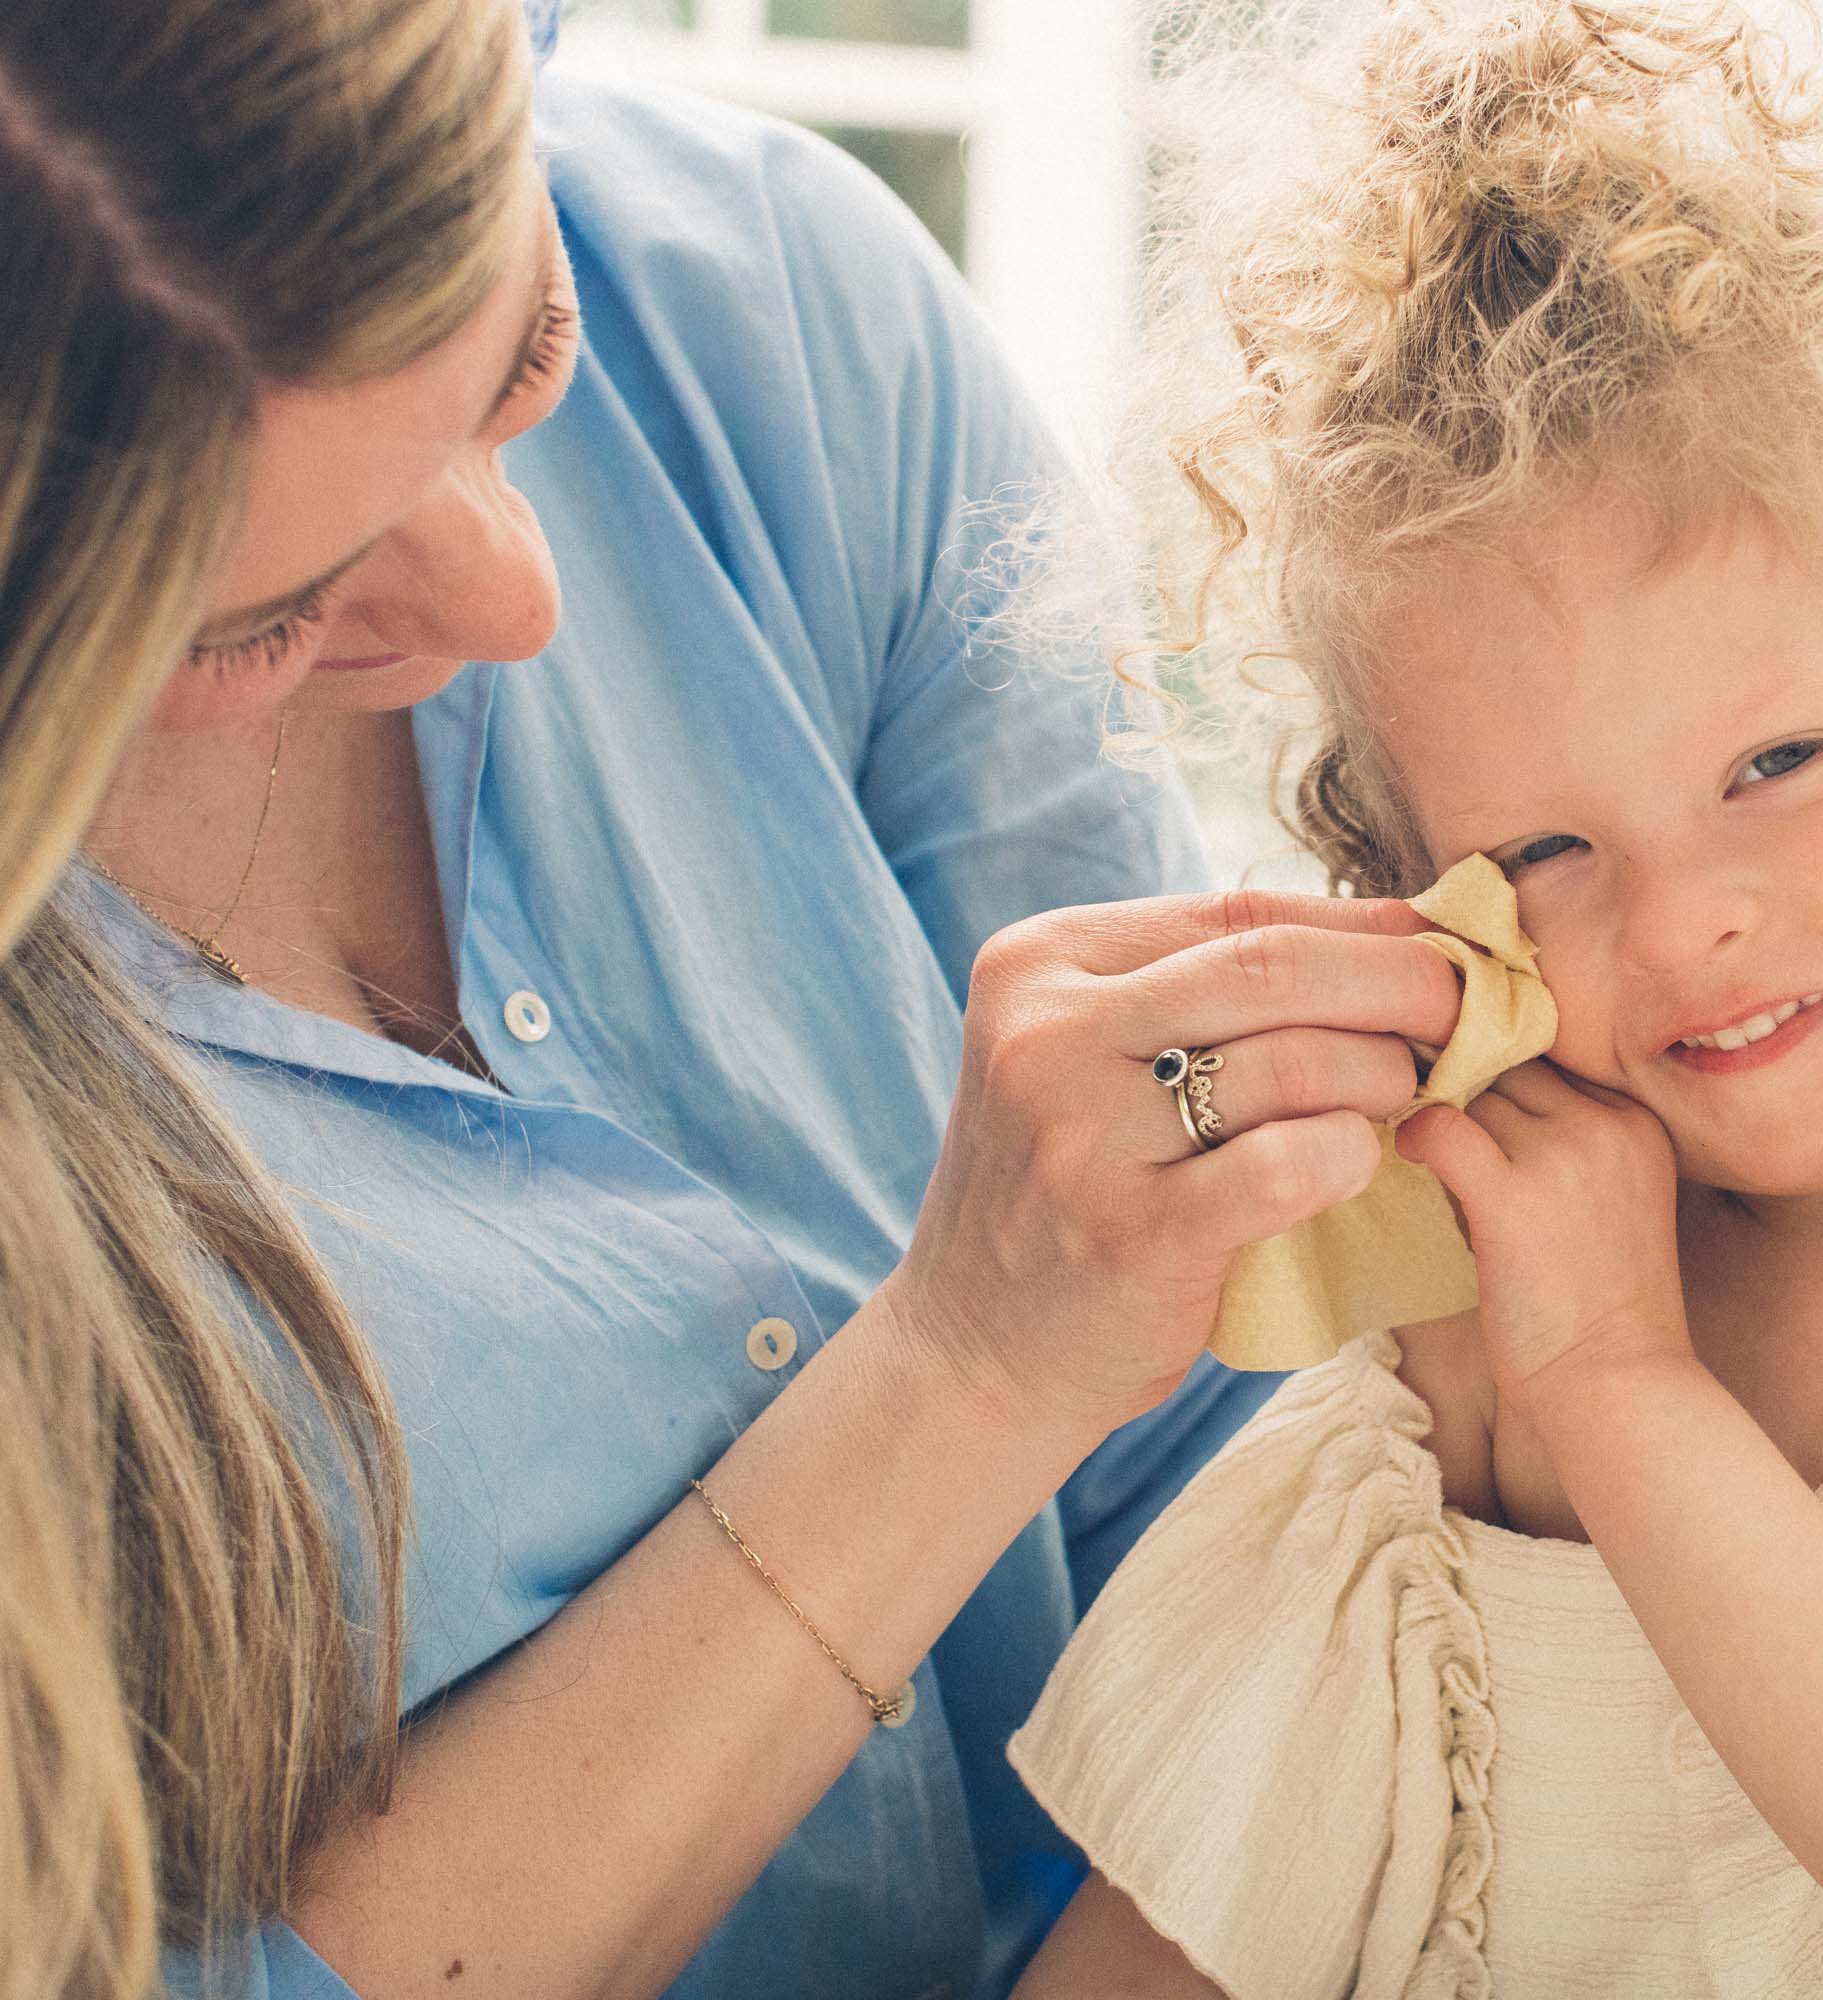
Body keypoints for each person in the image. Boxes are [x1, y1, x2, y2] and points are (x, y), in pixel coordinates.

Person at [0, 3, 1482, 1996]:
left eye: (519, 351)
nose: (519, 600)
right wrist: (960, 1374)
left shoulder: (765, 310)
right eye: (267, 620)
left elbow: (1238, 1432)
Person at [1004, 2, 1823, 1995]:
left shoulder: (1574, 1347)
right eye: (1546, 851)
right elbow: (1179, 1943)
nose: (1690, 919)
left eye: (1779, 761)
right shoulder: (1453, 1342)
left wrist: (1625, 1393)